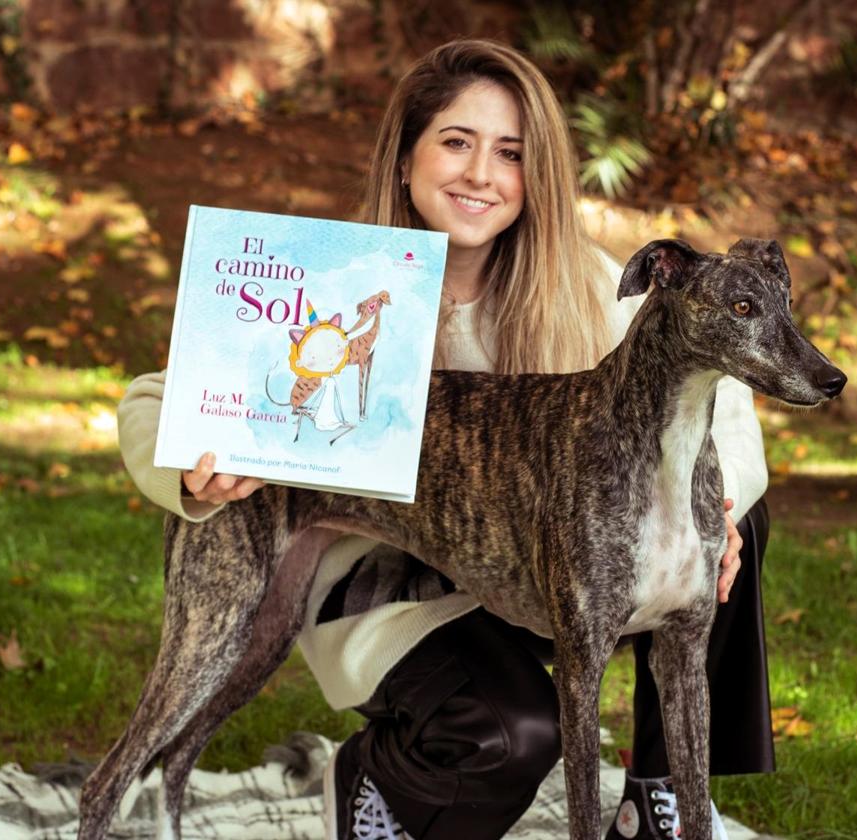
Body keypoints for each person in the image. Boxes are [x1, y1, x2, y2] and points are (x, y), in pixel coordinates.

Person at [117, 38, 774, 840]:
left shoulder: (588, 279)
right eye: (456, 143)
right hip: (386, 573)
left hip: (530, 568)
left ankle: (659, 794)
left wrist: (723, 520)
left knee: (729, 519)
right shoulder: (340, 276)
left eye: (510, 154)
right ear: (404, 157)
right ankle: (379, 778)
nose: (480, 175)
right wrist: (190, 474)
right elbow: (156, 396)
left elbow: (731, 420)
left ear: (536, 178)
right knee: (512, 734)